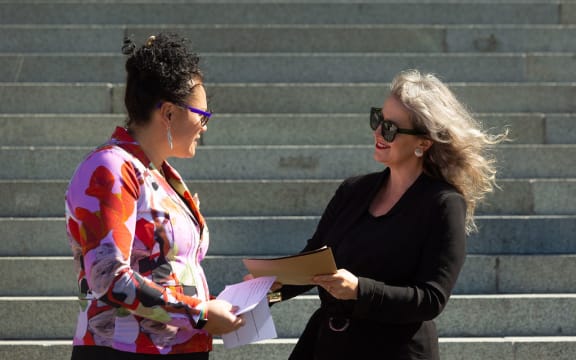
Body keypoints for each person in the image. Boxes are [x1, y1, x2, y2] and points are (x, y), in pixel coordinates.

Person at [274, 69, 509, 359]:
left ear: (423, 143)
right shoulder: (354, 190)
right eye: (378, 119)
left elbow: (432, 298)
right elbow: (313, 261)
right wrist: (262, 292)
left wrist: (361, 290)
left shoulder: (443, 204)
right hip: (327, 347)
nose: (378, 132)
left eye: (391, 128)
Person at [64, 32, 244, 360]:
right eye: (202, 114)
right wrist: (199, 313)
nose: (205, 125)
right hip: (124, 349)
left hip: (172, 347)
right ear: (169, 114)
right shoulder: (112, 167)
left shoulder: (159, 172)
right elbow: (108, 275)